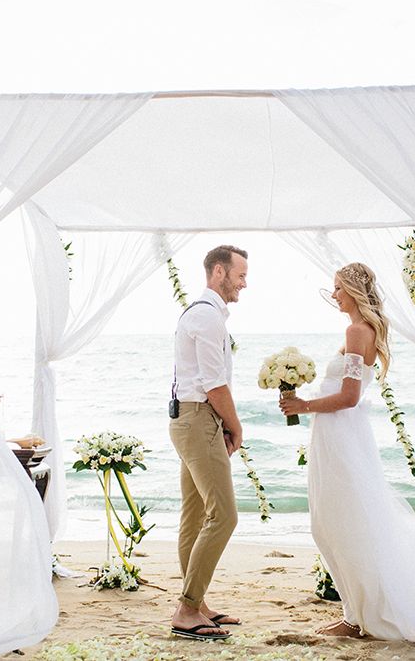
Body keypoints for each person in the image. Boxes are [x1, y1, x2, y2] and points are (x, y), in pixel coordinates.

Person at [280, 262, 415, 645]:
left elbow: (349, 396)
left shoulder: (356, 330)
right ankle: (354, 612)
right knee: (337, 524)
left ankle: (361, 617)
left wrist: (303, 406)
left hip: (342, 436)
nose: (334, 295)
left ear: (354, 290)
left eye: (338, 288)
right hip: (338, 436)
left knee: (340, 524)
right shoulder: (362, 330)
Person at [169, 245, 248, 641]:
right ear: (219, 272)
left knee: (196, 515)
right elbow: (214, 385)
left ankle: (196, 605)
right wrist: (236, 427)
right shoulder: (207, 316)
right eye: (239, 275)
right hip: (199, 419)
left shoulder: (203, 314)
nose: (243, 283)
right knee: (224, 515)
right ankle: (186, 608)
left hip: (190, 418)